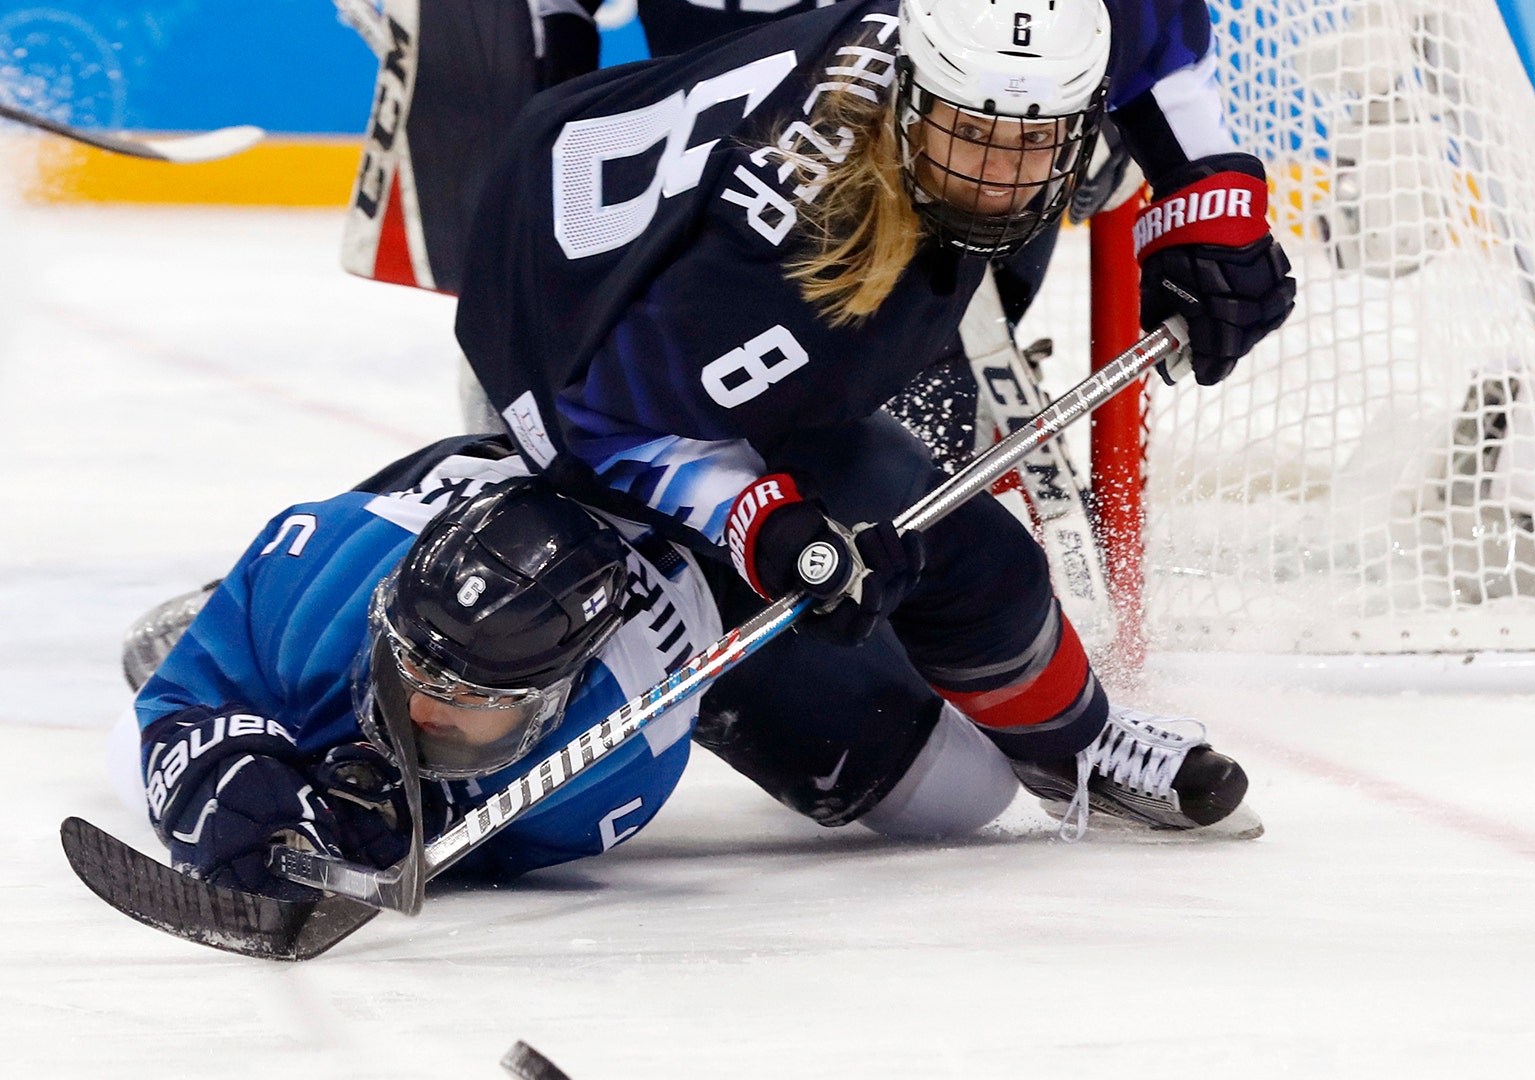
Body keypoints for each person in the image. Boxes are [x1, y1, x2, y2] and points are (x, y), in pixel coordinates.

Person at [453, 0, 1296, 836]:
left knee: (966, 551)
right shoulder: (788, 253)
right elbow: (608, 425)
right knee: (942, 792)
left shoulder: (999, 43)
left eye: (1033, 142)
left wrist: (1207, 198)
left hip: (680, 322)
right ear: (907, 101)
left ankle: (1078, 748)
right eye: (974, 135)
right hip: (565, 356)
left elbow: (1151, 24)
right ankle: (481, 717)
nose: (999, 181)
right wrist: (771, 528)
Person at [123, 436, 1018, 898]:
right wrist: (216, 768)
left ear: (553, 703)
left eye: (469, 703)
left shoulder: (615, 757)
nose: (423, 716)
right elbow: (175, 703)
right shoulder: (317, 568)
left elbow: (460, 833)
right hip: (503, 480)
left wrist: (407, 821)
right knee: (269, 650)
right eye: (415, 674)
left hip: (726, 591)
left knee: (961, 796)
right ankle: (225, 600)